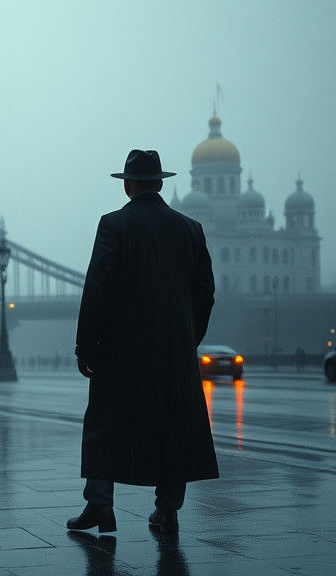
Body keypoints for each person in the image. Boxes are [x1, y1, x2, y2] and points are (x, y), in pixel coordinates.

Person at [69, 149, 217, 535]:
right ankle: (167, 509)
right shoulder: (190, 228)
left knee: (106, 422)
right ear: (161, 184)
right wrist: (188, 335)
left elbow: (97, 288)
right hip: (174, 348)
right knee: (174, 425)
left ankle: (100, 505)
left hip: (121, 348)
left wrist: (87, 345)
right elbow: (205, 293)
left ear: (129, 185)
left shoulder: (113, 225)